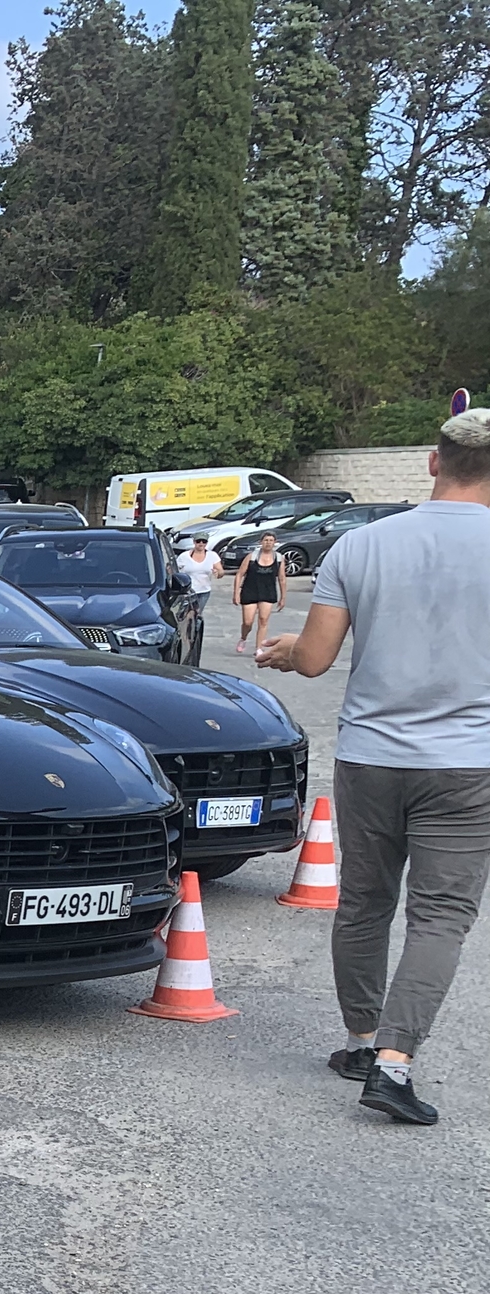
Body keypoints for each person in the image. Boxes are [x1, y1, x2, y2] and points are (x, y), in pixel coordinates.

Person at [257, 407, 490, 1125]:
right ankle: (395, 1062)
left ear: (432, 461)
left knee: (363, 902)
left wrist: (285, 648)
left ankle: (360, 1038)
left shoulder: (363, 545)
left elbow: (318, 657)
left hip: (370, 756)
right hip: (467, 765)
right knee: (441, 915)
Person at [233, 532, 286, 654]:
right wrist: (236, 593)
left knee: (263, 620)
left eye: (271, 540)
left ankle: (259, 648)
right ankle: (243, 638)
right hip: (250, 590)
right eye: (266, 540)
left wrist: (283, 597)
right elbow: (240, 574)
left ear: (274, 542)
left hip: (267, 592)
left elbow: (282, 578)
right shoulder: (251, 557)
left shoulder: (278, 558)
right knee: (248, 621)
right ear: (261, 542)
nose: (268, 543)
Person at [174, 533, 221, 658]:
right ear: (194, 542)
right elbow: (174, 570)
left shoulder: (212, 556)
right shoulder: (184, 556)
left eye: (204, 542)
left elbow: (220, 571)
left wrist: (218, 572)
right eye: (199, 541)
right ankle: (188, 634)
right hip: (188, 591)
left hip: (203, 590)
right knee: (190, 613)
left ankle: (193, 635)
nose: (201, 544)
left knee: (197, 613)